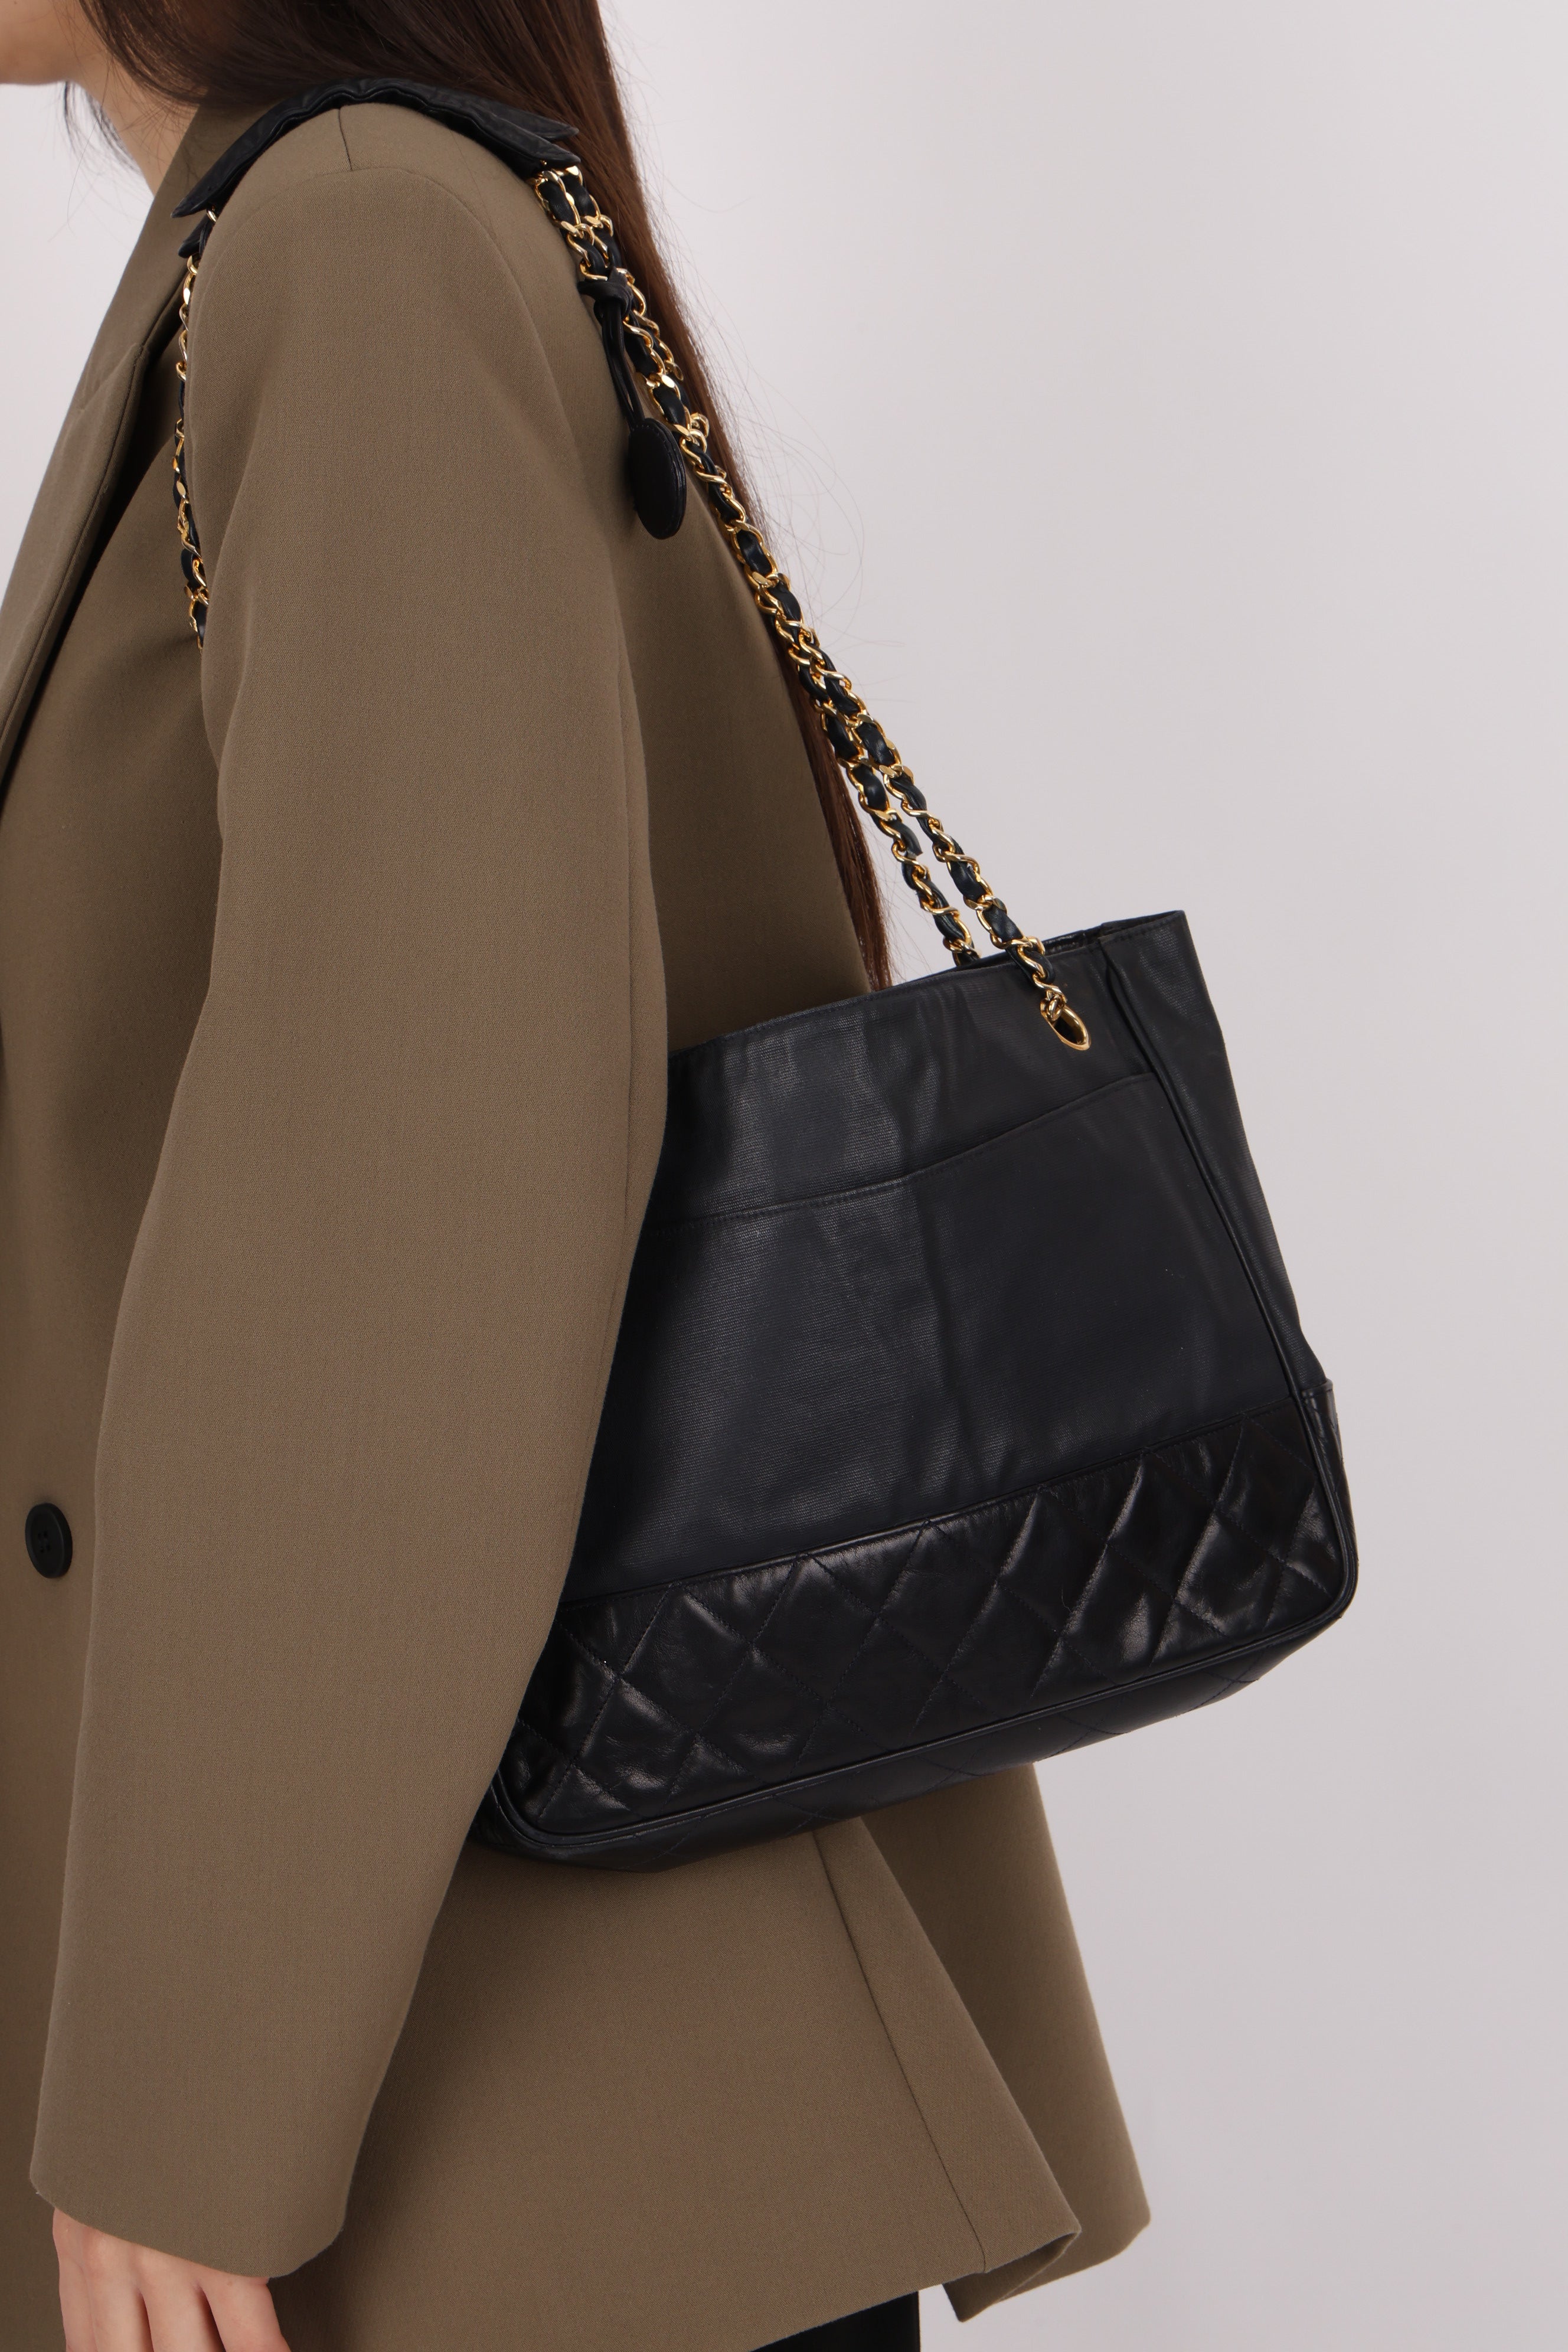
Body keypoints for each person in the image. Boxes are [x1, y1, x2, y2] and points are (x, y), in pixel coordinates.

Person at [0, 4, 1150, 2346]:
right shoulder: (333, 232)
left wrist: (184, 2103)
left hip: (457, 2145)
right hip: (481, 2094)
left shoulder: (352, 241)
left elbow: (397, 1227)